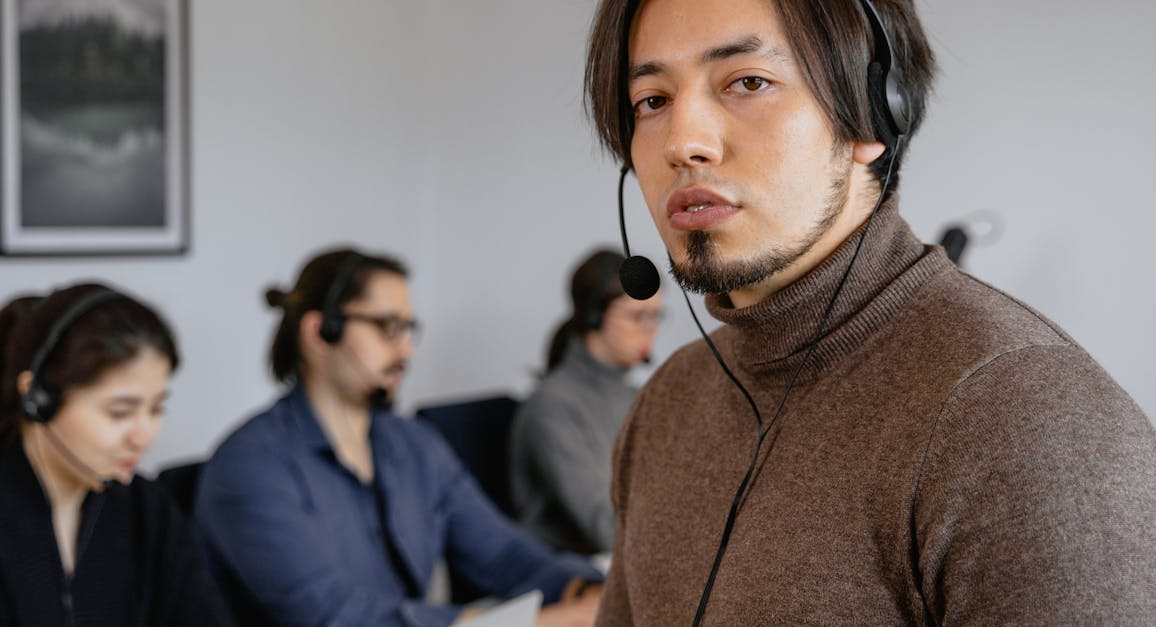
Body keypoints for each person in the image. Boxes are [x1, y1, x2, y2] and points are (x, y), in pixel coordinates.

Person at [582, 0, 1156, 624]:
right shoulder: (667, 405)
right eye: (652, 100)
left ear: (872, 116)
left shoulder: (1030, 420)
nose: (683, 143)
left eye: (748, 83)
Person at [194, 248, 602, 627]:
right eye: (387, 328)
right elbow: (334, 616)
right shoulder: (249, 467)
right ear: (320, 332)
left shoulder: (413, 444)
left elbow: (501, 553)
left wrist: (587, 590)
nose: (405, 349)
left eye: (409, 329)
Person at [0, 283, 232, 626]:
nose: (144, 436)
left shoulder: (148, 512)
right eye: (119, 412)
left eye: (156, 409)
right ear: (38, 398)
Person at [509, 249, 663, 555]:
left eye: (656, 316)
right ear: (595, 316)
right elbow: (606, 527)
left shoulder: (635, 396)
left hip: (623, 561)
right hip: (571, 573)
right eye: (637, 316)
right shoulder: (553, 406)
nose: (650, 329)